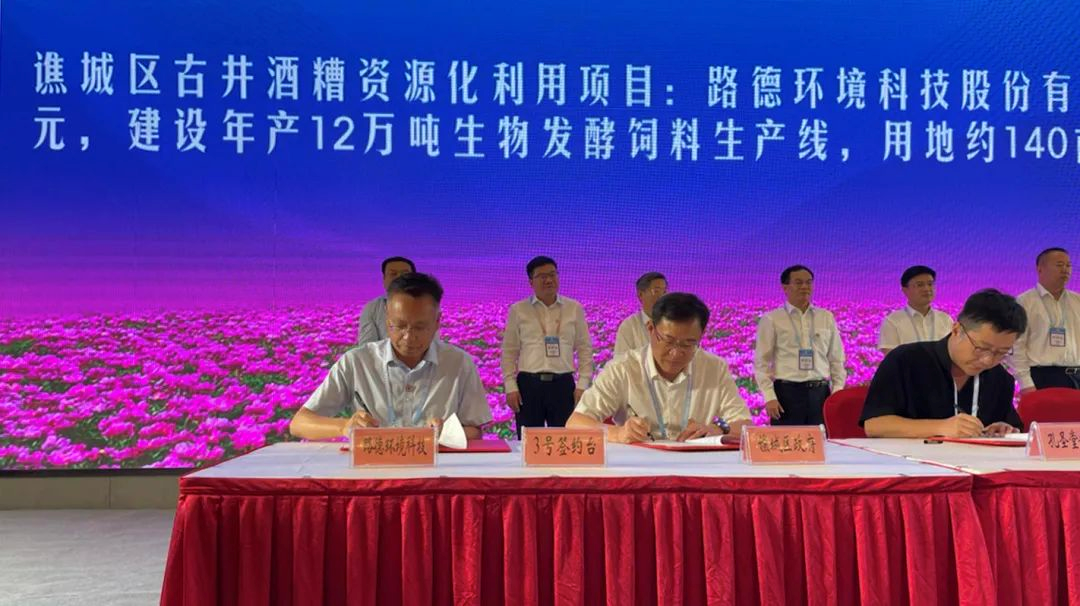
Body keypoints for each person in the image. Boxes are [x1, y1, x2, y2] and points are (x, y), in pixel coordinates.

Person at [291, 273, 490, 440]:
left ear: (438, 321)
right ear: (387, 319)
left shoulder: (459, 363)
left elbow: (475, 431)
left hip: (436, 468)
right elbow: (299, 423)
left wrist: (447, 432)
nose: (408, 337)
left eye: (420, 327)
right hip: (373, 469)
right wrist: (344, 427)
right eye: (400, 325)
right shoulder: (357, 362)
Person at [567, 293, 752, 442]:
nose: (676, 353)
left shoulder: (714, 368)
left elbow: (745, 425)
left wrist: (718, 429)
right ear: (650, 329)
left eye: (688, 344)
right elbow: (575, 423)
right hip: (639, 466)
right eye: (668, 341)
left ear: (701, 336)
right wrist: (619, 433)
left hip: (695, 465)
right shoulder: (623, 369)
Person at [861, 289, 1026, 438]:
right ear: (957, 330)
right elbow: (874, 425)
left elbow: (1011, 425)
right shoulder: (905, 360)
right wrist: (940, 427)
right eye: (981, 348)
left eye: (1001, 352)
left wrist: (1003, 429)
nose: (988, 360)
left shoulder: (999, 378)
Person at [500, 256, 595, 437]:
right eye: (542, 276)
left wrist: (583, 384)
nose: (549, 280)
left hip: (563, 385)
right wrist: (510, 386)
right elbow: (509, 352)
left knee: (564, 441)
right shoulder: (518, 310)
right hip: (529, 385)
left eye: (552, 274)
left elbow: (584, 349)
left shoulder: (574, 308)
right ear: (531, 282)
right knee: (529, 442)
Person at [753, 265, 846, 425]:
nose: (805, 287)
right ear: (785, 287)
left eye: (808, 282)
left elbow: (836, 359)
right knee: (787, 440)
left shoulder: (826, 317)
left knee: (821, 439)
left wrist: (837, 393)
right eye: (798, 282)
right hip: (786, 395)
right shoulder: (772, 319)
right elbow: (762, 363)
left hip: (820, 394)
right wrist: (769, 397)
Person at [1011, 248, 1080, 391]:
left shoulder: (1077, 301)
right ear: (1040, 269)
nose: (1065, 270)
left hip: (1077, 376)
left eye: (1068, 265)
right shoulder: (1024, 302)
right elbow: (1017, 346)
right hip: (1041, 377)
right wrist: (1026, 383)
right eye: (1059, 265)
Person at [878, 265, 954, 354]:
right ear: (905, 290)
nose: (927, 289)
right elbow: (890, 357)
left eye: (930, 284)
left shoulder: (945, 319)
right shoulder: (892, 321)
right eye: (920, 285)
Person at [357, 256, 416, 345]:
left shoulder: (428, 305)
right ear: (384, 279)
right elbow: (367, 346)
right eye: (393, 274)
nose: (399, 278)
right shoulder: (373, 308)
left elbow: (433, 344)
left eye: (405, 274)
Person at [612, 272, 668, 358]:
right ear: (640, 295)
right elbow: (620, 361)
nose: (661, 296)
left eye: (664, 292)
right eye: (656, 291)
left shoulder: (674, 324)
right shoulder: (629, 326)